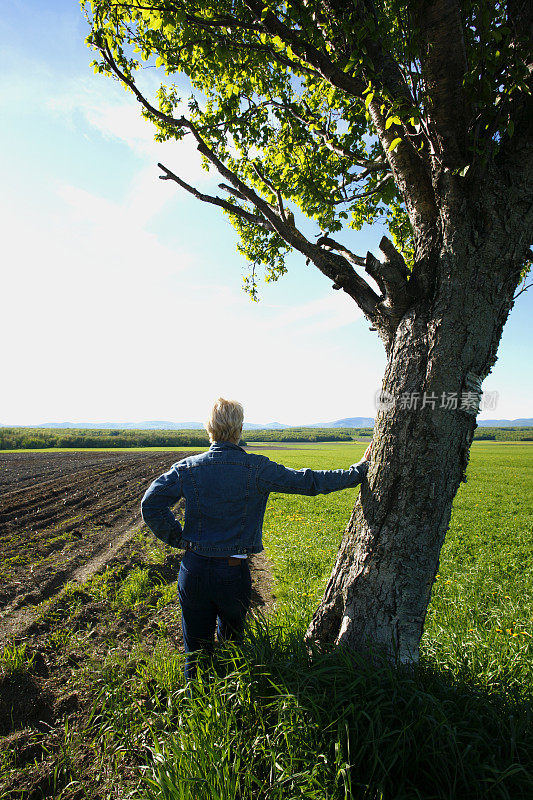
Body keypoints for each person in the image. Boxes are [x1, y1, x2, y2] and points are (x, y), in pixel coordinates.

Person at [141, 398, 373, 681]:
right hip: (232, 572)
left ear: (209, 429)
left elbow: (151, 504)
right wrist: (358, 471)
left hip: (195, 569)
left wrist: (180, 539)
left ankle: (196, 708)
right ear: (239, 429)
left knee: (195, 653)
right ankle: (231, 706)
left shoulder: (188, 468)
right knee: (233, 648)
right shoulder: (256, 468)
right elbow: (309, 482)